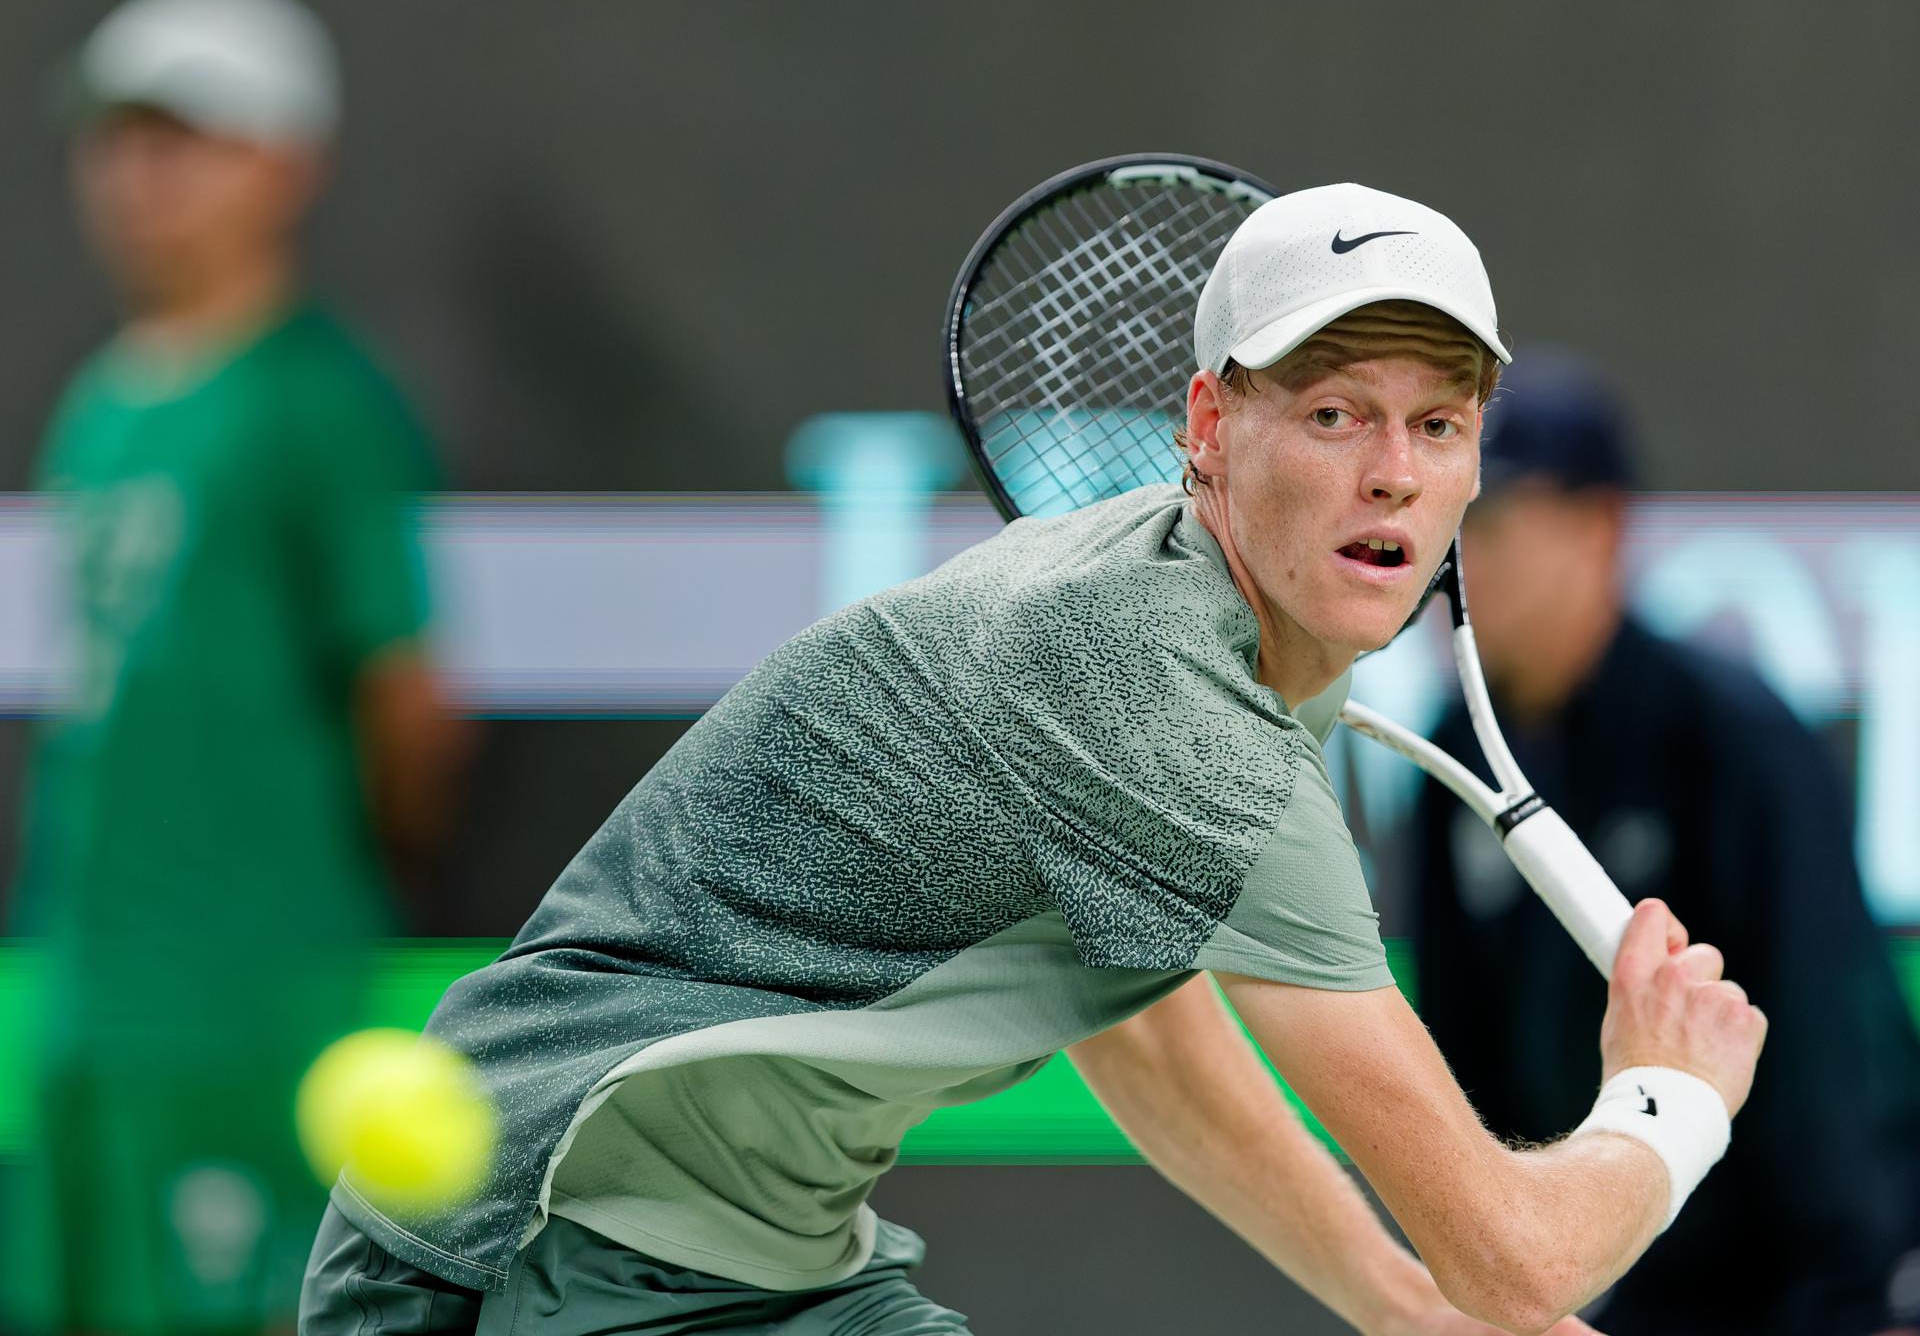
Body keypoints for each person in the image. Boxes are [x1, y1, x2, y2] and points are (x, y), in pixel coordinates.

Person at [300, 183, 1764, 1336]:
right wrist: (1668, 1096)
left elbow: (1134, 1008)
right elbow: (1512, 1256)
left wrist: (1390, 1301)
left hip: (762, 1264)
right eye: (1334, 414)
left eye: (1438, 426)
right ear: (1209, 424)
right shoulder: (1170, 701)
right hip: (540, 1249)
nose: (1392, 469)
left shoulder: (1198, 623)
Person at [4, 0, 466, 1332]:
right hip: (88, 1000)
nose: (142, 178)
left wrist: (298, 908)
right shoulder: (97, 407)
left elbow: (409, 708)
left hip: (248, 1002)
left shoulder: (316, 404)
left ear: (284, 161)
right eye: (120, 140)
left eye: (186, 140)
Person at [1408, 351, 1920, 1335]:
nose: (1455, 557)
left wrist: (1851, 1299)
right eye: (1446, 517)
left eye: (1494, 519)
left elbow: (1827, 1068)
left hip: (1790, 1288)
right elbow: (1463, 1076)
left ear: (1602, 527)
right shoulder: (1451, 753)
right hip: (1599, 1285)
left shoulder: (1736, 740)